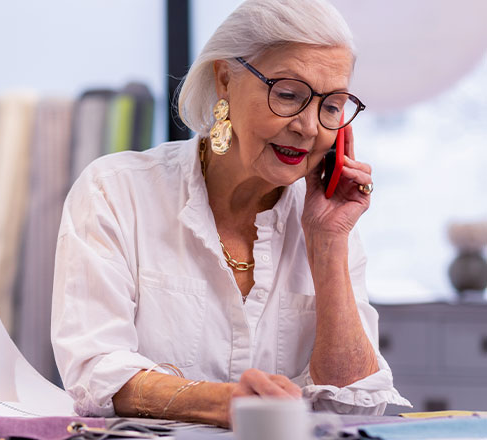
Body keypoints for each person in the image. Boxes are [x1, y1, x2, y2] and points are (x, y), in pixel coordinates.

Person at [51, 0, 409, 428]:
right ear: (225, 79)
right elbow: (94, 372)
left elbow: (356, 405)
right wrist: (223, 402)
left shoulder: (329, 226)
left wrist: (327, 242)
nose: (309, 127)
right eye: (289, 94)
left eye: (331, 106)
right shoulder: (115, 191)